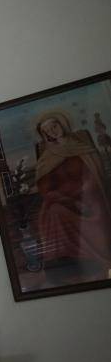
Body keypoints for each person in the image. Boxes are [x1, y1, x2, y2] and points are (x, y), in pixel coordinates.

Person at [34, 111, 111, 281]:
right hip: (63, 199)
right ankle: (67, 261)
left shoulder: (82, 146)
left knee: (90, 205)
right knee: (54, 210)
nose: (52, 131)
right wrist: (66, 199)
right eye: (47, 131)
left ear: (63, 124)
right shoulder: (46, 158)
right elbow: (46, 188)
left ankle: (94, 258)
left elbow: (94, 174)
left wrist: (82, 193)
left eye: (54, 126)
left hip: (88, 196)